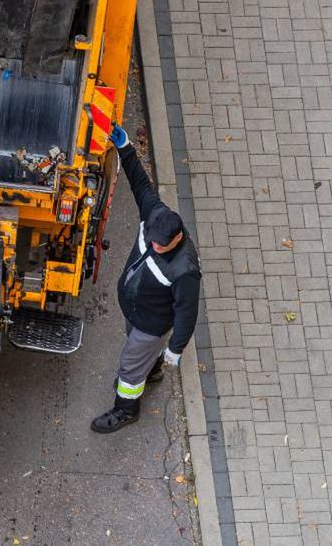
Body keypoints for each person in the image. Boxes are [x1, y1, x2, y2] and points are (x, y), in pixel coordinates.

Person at [91, 125, 202, 434]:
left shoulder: (185, 270)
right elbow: (140, 183)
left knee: (129, 367)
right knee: (137, 354)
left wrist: (175, 349)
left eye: (160, 245)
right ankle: (151, 370)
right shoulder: (155, 214)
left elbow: (187, 313)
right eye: (152, 239)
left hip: (151, 324)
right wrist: (126, 147)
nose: (154, 246)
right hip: (137, 312)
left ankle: (126, 409)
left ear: (177, 238)